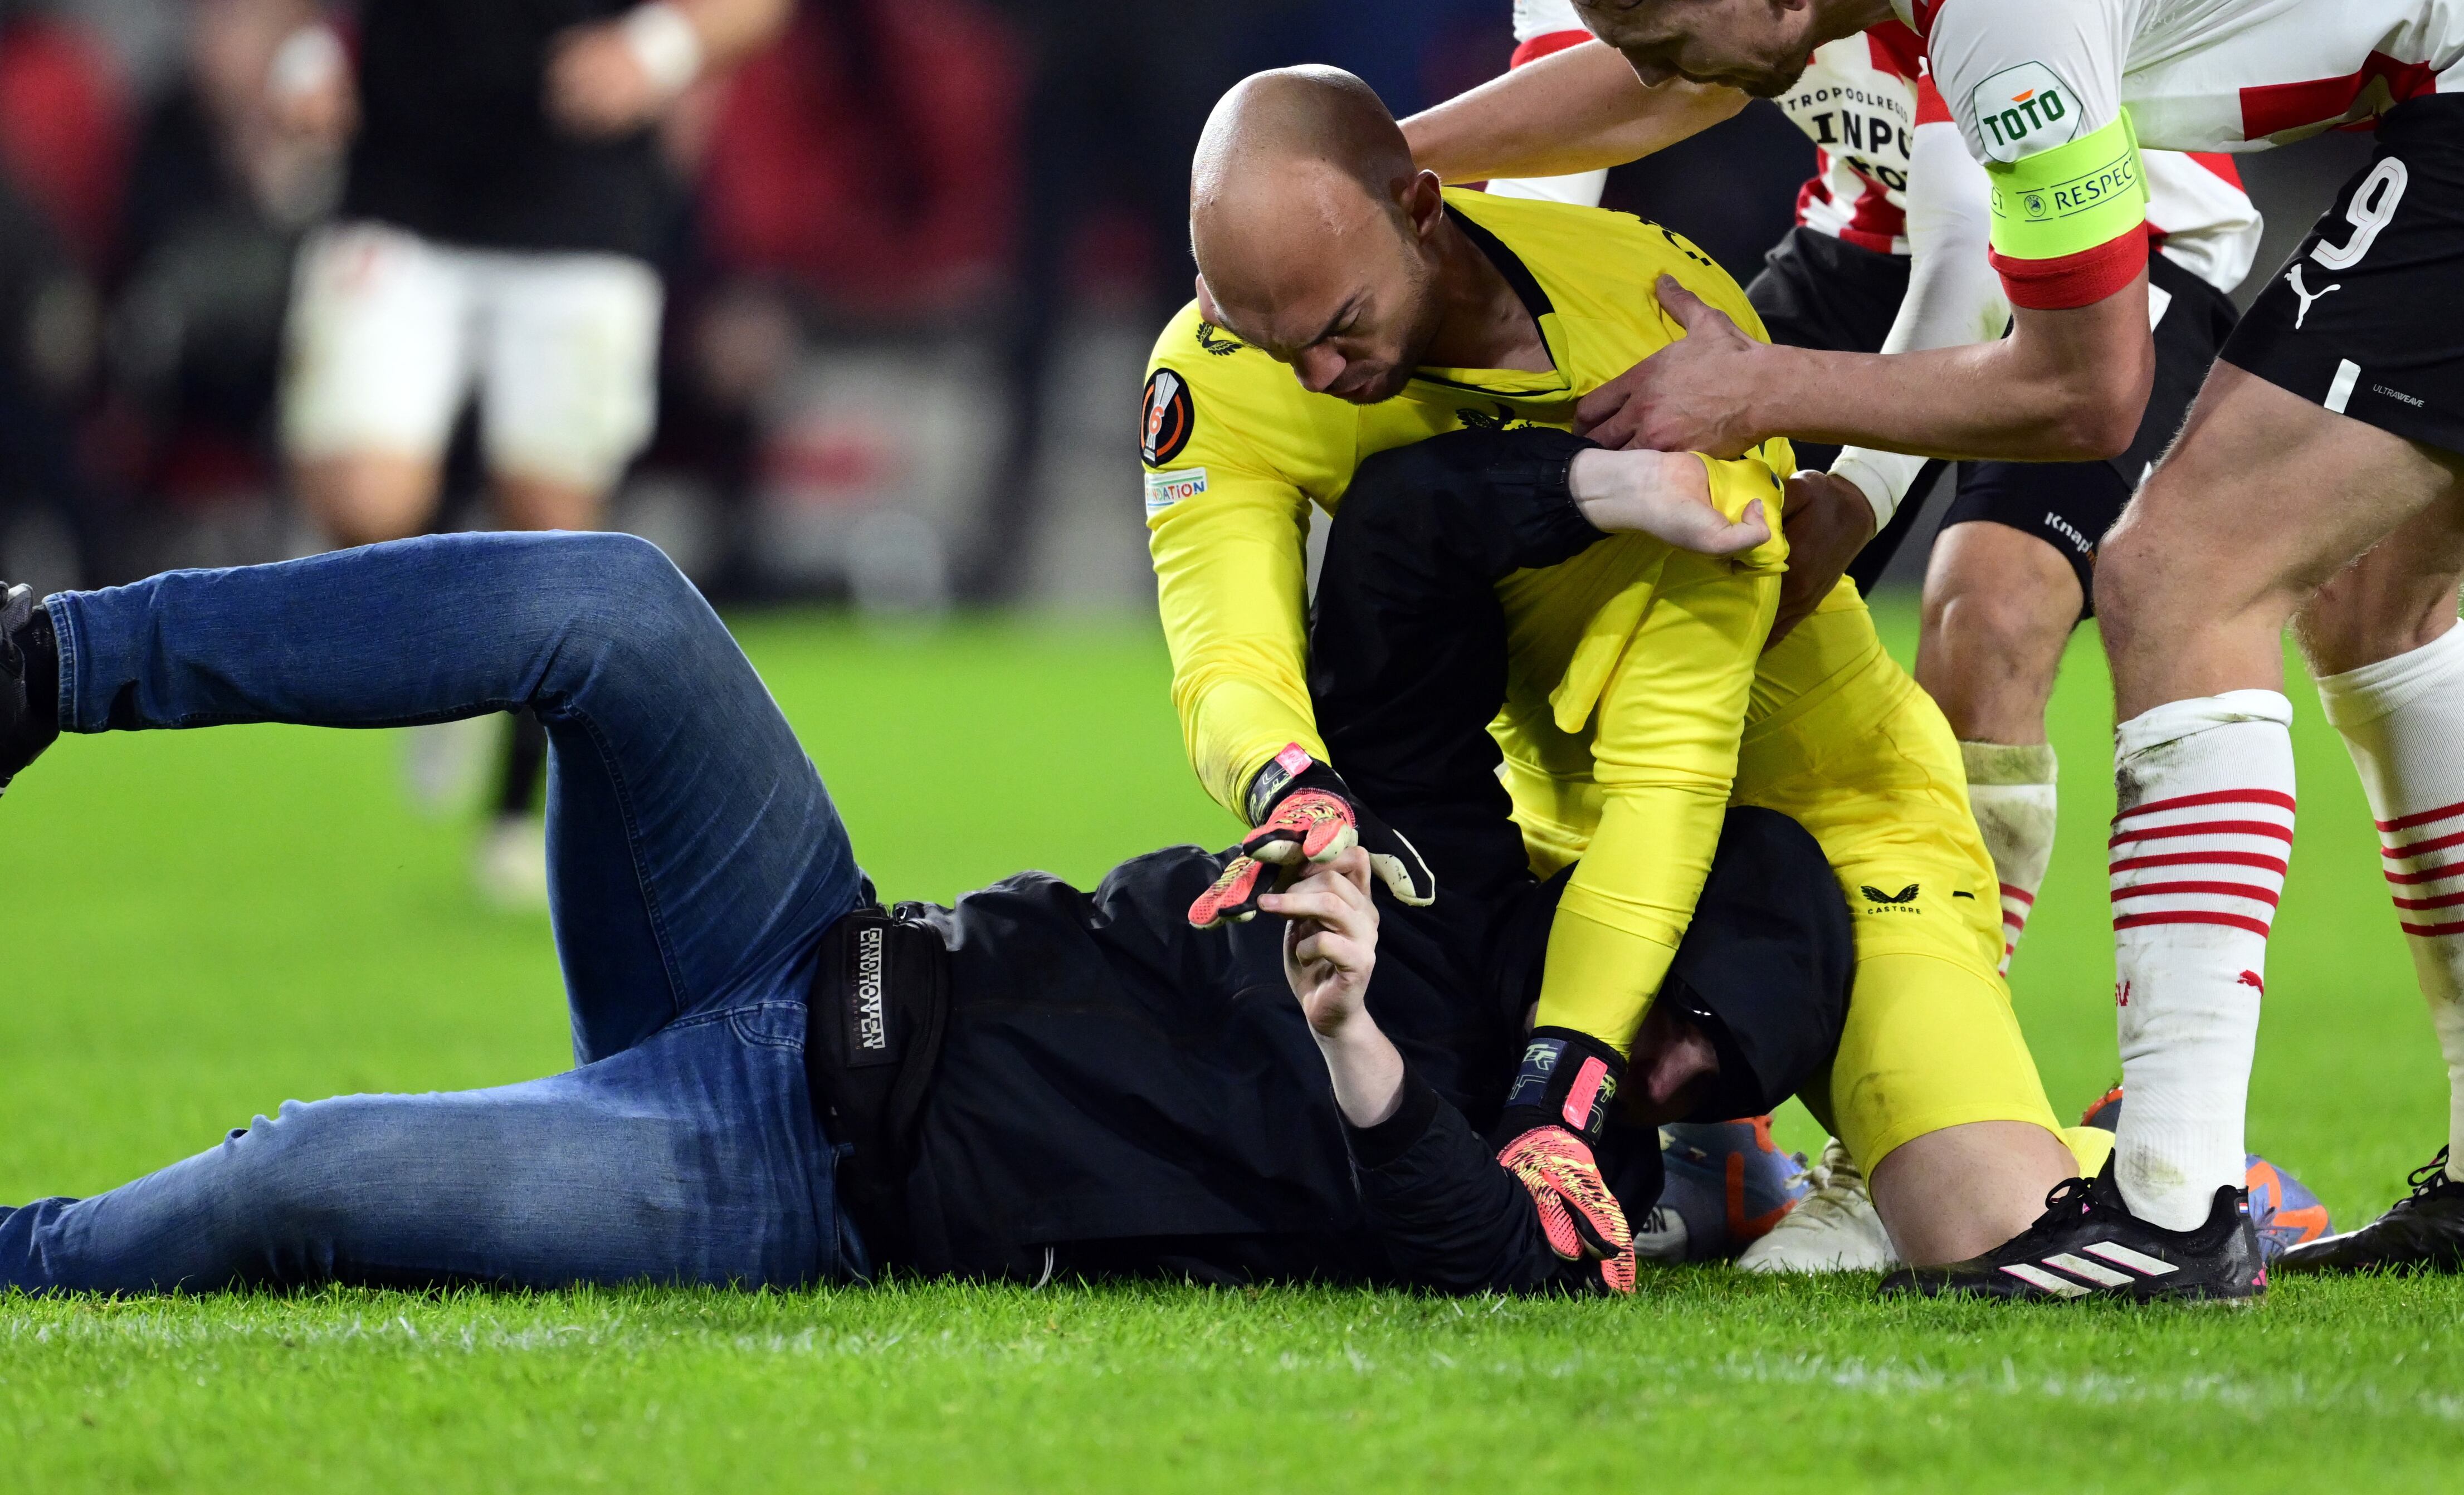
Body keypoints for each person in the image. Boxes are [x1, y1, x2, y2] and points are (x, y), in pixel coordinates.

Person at [1509, 0, 2464, 1292]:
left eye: (1671, 49)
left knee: (2179, 576)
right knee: (2376, 608)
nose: (1662, 90)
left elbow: (2083, 391)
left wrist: (1766, 397)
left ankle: (2172, 1204)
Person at [0, 453, 1855, 1295]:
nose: (1671, 1077)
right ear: (1646, 909)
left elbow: (1493, 1261)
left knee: (296, 1171)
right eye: (1693, 1028)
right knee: (615, 603)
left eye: (1717, 1085)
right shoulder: (1460, 852)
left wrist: (1359, 1037)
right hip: (820, 939)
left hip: (802, 1179)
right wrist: (1616, 492)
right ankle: (51, 666)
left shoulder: (1560, 1149)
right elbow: (1396, 551)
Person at [1408, 0, 2261, 1268]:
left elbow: (1969, 266)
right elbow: (1554, 198)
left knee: (1985, 611)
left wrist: (1849, 506)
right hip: (1861, 240)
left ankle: (1939, 1132)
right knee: (1638, 610)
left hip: (2098, 264)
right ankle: (1714, 1140)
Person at [1149, 67, 2151, 1283]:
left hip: (1825, 825)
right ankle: (1714, 1159)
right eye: (1272, 338)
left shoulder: (1662, 329)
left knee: (1994, 1236)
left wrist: (1556, 1094)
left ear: (1423, 208)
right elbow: (1226, 651)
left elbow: (1669, 778)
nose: (1313, 372)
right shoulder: (1222, 366)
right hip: (1553, 863)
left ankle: (2162, 1165)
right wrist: (1285, 782)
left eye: (1338, 324)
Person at [226, 0, 794, 901]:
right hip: (396, 185)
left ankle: (511, 810)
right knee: (362, 499)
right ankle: (448, 669)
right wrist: (292, 58)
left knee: (551, 518)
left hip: (578, 199)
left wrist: (659, 42)